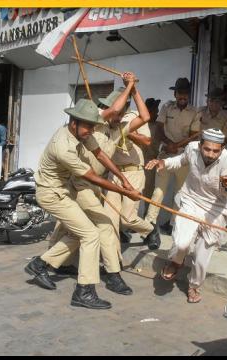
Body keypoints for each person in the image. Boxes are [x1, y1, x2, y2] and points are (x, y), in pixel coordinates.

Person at [23, 97, 141, 310]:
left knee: (79, 233)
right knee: (91, 234)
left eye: (93, 125)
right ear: (73, 122)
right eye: (87, 125)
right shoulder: (64, 147)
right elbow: (92, 176)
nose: (90, 130)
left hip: (64, 190)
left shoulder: (81, 132)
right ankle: (84, 291)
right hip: (52, 194)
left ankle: (39, 265)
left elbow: (100, 154)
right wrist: (125, 191)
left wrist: (123, 179)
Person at [44, 73, 152, 296]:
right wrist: (129, 84)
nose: (116, 114)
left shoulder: (117, 129)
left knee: (76, 228)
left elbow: (144, 117)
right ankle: (109, 274)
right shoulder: (95, 123)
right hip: (80, 183)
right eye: (115, 110)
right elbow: (111, 110)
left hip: (92, 185)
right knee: (93, 228)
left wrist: (134, 91)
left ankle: (45, 265)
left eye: (120, 112)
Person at [146, 129, 227, 303]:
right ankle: (175, 262)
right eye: (207, 149)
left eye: (215, 151)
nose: (210, 154)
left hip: (215, 208)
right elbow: (180, 160)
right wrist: (163, 162)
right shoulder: (191, 148)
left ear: (222, 149)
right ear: (201, 145)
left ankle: (194, 286)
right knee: (181, 243)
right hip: (191, 200)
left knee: (202, 256)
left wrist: (226, 185)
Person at [101, 89, 161, 251]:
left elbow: (147, 141)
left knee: (128, 218)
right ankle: (112, 261)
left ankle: (150, 229)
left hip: (133, 171)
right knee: (109, 217)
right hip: (114, 172)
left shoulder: (133, 117)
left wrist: (126, 132)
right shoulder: (107, 116)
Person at [144, 78, 198, 235]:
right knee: (158, 190)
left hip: (183, 156)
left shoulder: (194, 112)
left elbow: (194, 136)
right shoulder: (167, 108)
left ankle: (173, 224)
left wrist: (178, 145)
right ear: (175, 94)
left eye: (185, 94)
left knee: (180, 192)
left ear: (189, 95)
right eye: (180, 94)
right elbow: (159, 129)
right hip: (165, 154)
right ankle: (150, 224)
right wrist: (168, 144)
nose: (183, 97)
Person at [142, 98, 161, 202]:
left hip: (151, 161)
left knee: (149, 191)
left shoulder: (159, 125)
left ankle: (145, 214)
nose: (157, 113)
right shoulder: (140, 124)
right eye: (155, 110)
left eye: (157, 110)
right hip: (140, 161)